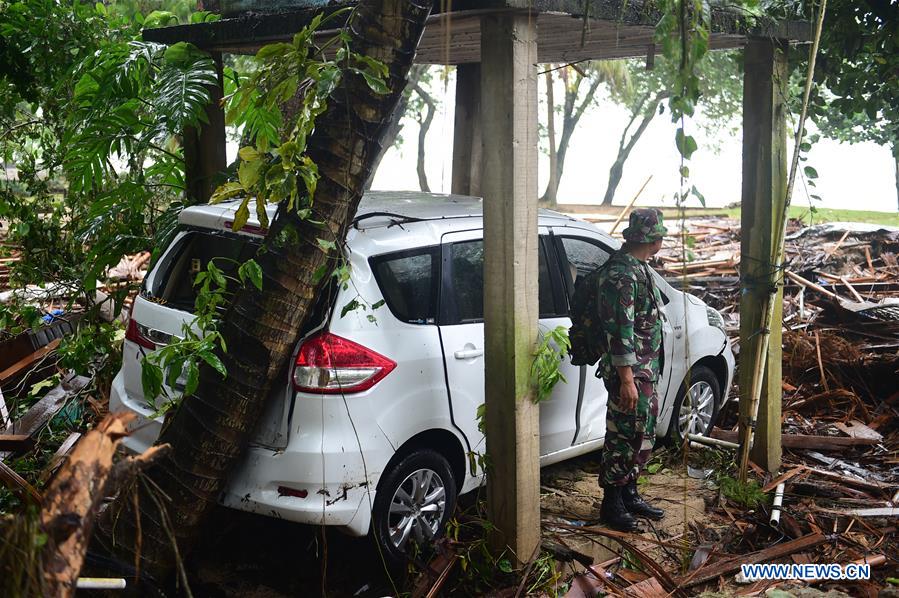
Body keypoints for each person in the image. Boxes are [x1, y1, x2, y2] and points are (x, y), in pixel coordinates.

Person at [596, 208, 667, 532]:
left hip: (643, 370)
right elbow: (620, 329)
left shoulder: (638, 268)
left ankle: (629, 493)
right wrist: (626, 379)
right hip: (630, 373)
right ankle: (612, 503)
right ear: (653, 239)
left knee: (641, 433)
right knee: (623, 435)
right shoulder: (621, 274)